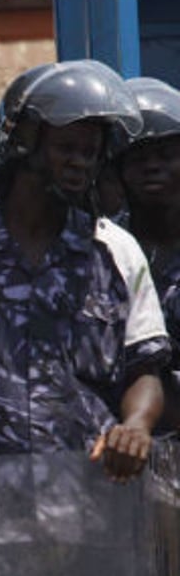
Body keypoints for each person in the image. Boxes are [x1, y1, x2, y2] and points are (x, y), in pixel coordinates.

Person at [0, 59, 169, 496]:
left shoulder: (114, 250)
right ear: (23, 143)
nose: (81, 163)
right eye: (68, 148)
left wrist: (136, 425)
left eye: (91, 152)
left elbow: (145, 369)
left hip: (94, 509)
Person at [117, 77, 180, 430]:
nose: (152, 166)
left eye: (165, 154)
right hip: (125, 445)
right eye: (138, 156)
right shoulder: (101, 248)